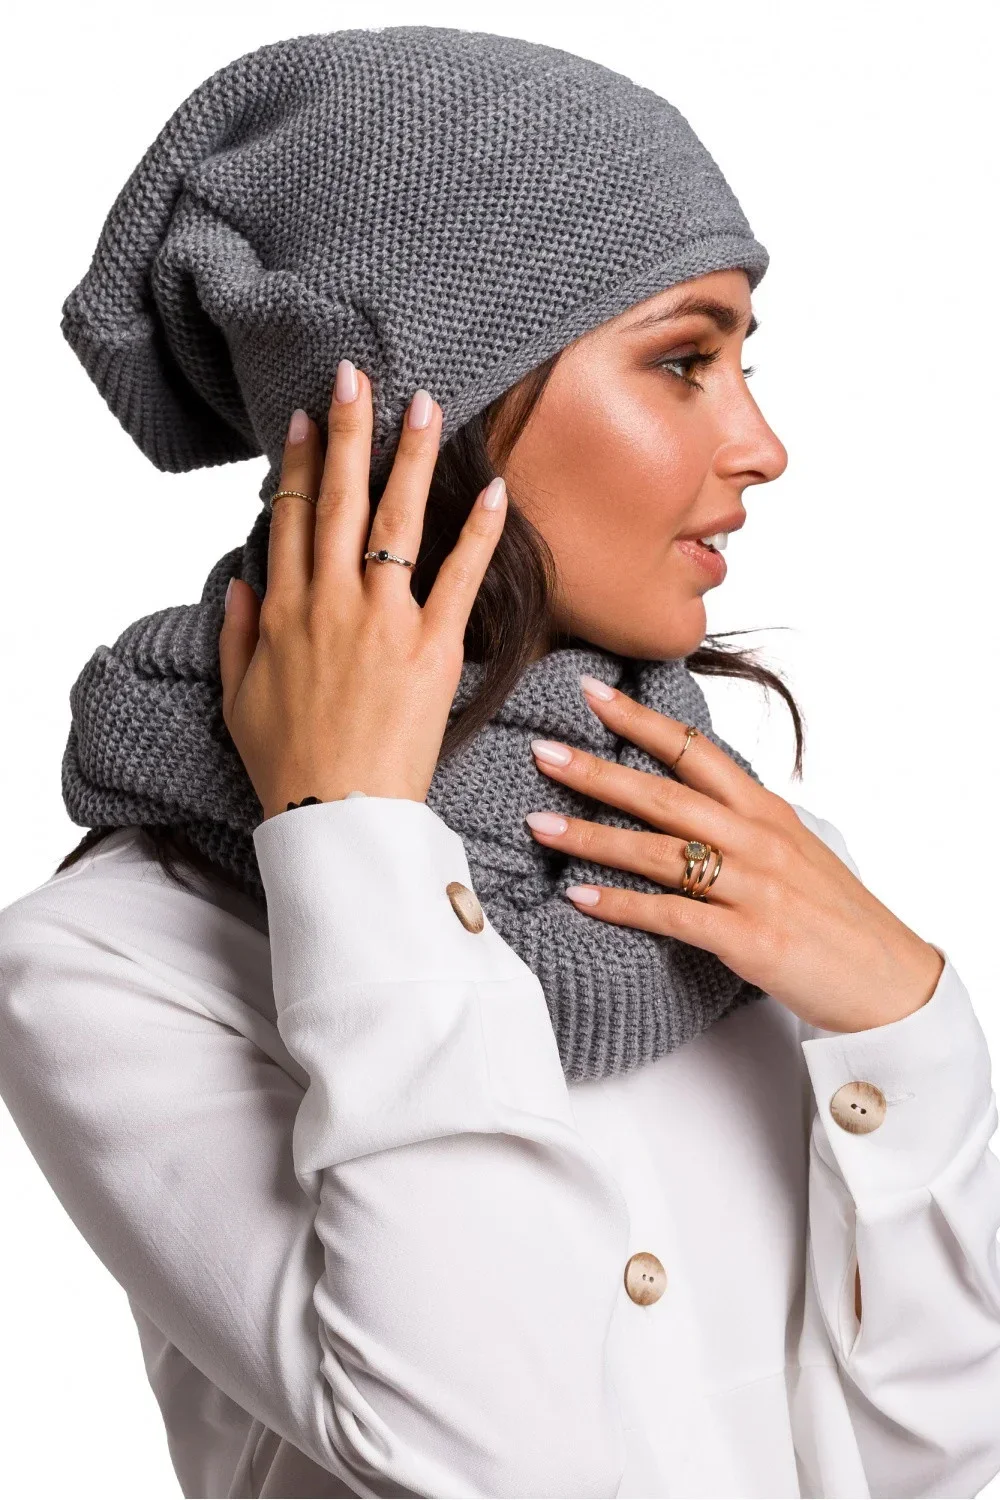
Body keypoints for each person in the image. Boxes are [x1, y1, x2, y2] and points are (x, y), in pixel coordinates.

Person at [2, 25, 1000, 1500]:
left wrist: (911, 1034)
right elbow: (493, 1460)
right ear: (424, 402)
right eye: (683, 360)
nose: (762, 443)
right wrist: (351, 835)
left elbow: (939, 1464)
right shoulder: (109, 964)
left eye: (745, 362)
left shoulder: (746, 864)